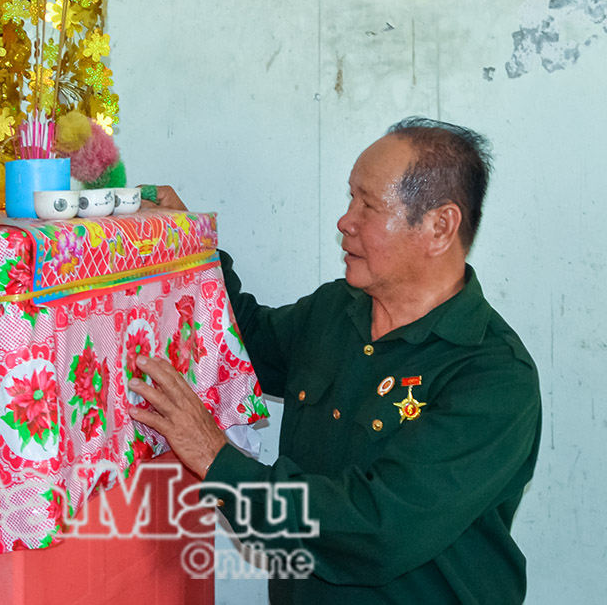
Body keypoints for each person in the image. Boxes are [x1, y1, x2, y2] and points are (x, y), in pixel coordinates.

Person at [131, 118, 541, 604]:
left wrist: (217, 460)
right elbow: (243, 342)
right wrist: (191, 247)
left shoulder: (493, 377)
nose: (346, 221)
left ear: (439, 227)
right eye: (351, 198)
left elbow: (377, 529)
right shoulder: (336, 310)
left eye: (369, 205)